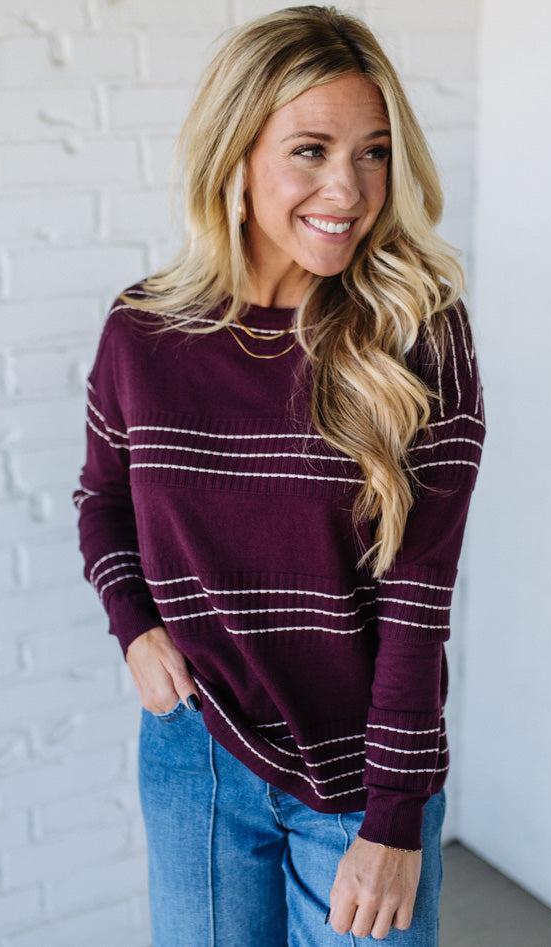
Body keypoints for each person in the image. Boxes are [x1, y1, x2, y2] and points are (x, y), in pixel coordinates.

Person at [72, 5, 486, 944]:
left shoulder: (418, 337)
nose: (348, 186)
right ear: (237, 154)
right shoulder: (143, 332)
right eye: (310, 149)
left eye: (373, 152)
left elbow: (418, 604)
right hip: (195, 751)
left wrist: (391, 819)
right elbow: (102, 500)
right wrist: (134, 627)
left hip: (359, 770)